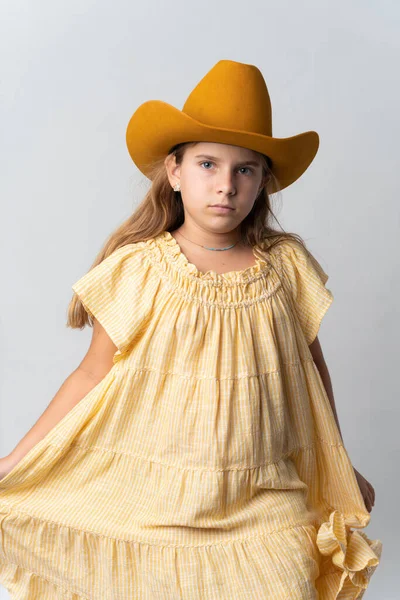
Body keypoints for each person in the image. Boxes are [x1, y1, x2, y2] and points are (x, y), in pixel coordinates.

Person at [0, 59, 382, 599]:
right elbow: (90, 375)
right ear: (174, 172)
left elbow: (311, 371)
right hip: (153, 500)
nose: (225, 185)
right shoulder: (140, 270)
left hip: (263, 497)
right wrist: (15, 462)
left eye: (245, 169)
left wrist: (340, 467)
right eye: (208, 164)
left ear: (263, 182)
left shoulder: (286, 266)